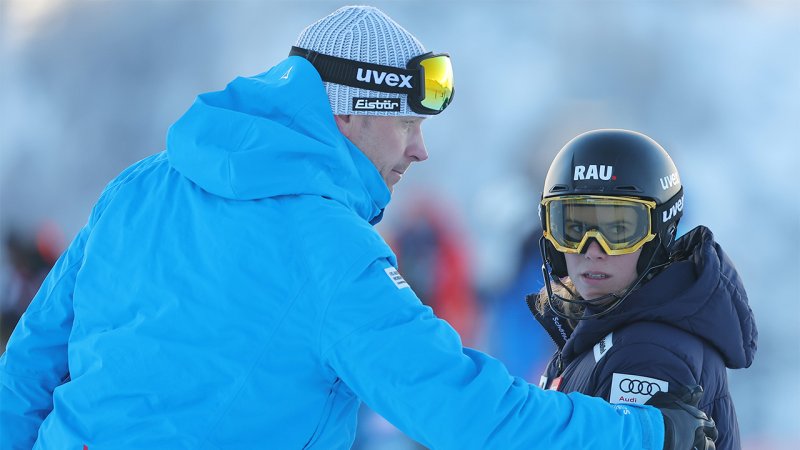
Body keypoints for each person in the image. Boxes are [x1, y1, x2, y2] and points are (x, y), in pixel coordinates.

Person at [0, 6, 715, 449]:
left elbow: (29, 363)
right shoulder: (326, 250)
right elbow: (464, 413)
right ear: (350, 113)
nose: (418, 148)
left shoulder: (141, 186)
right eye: (407, 121)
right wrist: (646, 435)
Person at [530, 129, 757, 450]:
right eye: (573, 228)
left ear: (659, 234)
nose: (592, 249)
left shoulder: (649, 353)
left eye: (619, 230)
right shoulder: (608, 334)